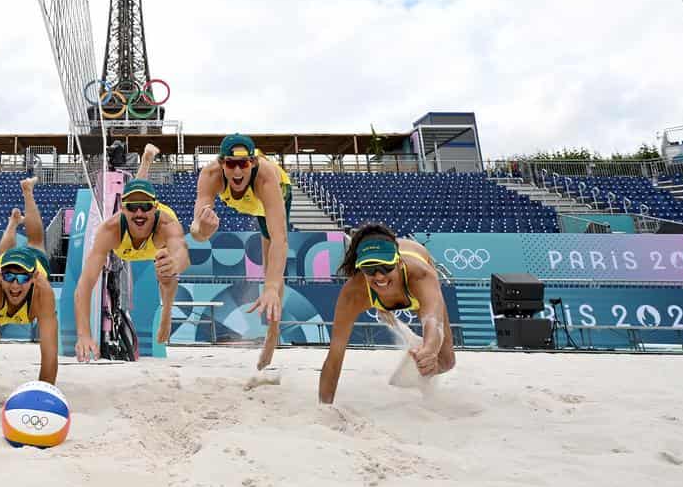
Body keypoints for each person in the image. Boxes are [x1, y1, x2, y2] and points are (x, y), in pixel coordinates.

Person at [75, 143, 190, 361]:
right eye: (132, 207)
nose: (139, 212)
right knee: (138, 192)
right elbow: (84, 285)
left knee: (167, 270)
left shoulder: (166, 222)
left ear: (155, 208)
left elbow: (182, 252)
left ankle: (166, 314)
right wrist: (83, 333)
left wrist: (176, 263)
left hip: (155, 246)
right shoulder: (110, 229)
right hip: (124, 247)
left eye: (146, 207)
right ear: (122, 208)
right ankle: (146, 160)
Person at [317, 222, 456, 404]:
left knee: (446, 361)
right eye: (369, 268)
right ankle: (384, 306)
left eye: (386, 267)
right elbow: (334, 357)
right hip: (387, 284)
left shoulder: (422, 275)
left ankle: (421, 363)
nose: (379, 275)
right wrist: (324, 407)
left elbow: (433, 320)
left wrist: (429, 349)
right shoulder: (354, 292)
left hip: (415, 261)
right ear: (360, 268)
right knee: (380, 291)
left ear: (397, 261)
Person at [191, 133, 292, 369]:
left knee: (271, 265)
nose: (237, 171)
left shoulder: (265, 177)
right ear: (221, 163)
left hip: (276, 194)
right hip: (253, 203)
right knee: (269, 264)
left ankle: (272, 335)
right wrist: (203, 231)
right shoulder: (210, 175)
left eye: (243, 163)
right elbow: (196, 232)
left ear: (253, 163)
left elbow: (281, 239)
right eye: (231, 164)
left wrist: (270, 288)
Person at [0, 177, 58, 383]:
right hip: (3, 268)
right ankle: (12, 224)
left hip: (33, 262)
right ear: (0, 275)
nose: (16, 284)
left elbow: (49, 353)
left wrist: (43, 390)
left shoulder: (42, 291)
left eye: (22, 277)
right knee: (4, 253)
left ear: (33, 277)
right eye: (9, 276)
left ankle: (27, 191)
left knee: (36, 242)